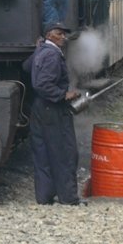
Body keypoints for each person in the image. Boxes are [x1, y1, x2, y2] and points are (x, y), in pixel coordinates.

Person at [27, 21, 83, 206]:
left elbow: (26, 67)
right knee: (64, 152)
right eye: (59, 33)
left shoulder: (41, 50)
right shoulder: (52, 54)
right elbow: (42, 84)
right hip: (53, 108)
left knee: (42, 153)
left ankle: (44, 196)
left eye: (64, 34)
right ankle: (68, 198)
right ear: (49, 35)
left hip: (39, 108)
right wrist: (63, 94)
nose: (63, 37)